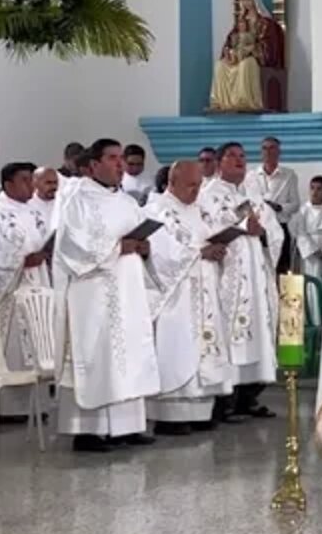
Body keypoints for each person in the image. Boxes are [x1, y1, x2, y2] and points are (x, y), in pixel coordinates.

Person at [53, 138, 160, 451]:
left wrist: (143, 246)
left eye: (121, 158)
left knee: (128, 354)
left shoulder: (127, 201)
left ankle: (128, 427)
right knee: (98, 354)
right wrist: (117, 248)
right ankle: (87, 431)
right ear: (93, 165)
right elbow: (72, 246)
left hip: (127, 289)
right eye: (112, 158)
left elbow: (140, 236)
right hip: (93, 292)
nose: (119, 164)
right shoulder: (77, 199)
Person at [143, 161, 232, 435]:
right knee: (179, 347)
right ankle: (171, 416)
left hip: (203, 289)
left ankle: (200, 411)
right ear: (172, 182)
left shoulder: (197, 210)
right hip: (177, 296)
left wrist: (217, 249)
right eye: (191, 185)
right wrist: (199, 253)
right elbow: (159, 251)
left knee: (203, 347)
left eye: (199, 185)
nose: (197, 191)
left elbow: (206, 240)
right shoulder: (157, 210)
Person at [199, 141, 283, 419]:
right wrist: (237, 228)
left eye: (242, 156)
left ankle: (249, 397)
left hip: (257, 276)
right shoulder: (208, 195)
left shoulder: (253, 193)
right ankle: (225, 401)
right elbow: (205, 230)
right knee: (230, 334)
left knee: (259, 332)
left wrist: (263, 233)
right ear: (219, 162)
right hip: (229, 276)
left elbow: (275, 231)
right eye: (231, 156)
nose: (239, 160)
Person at [0, 162, 53, 419]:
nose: (31, 185)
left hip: (36, 282)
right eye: (24, 180)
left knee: (37, 340)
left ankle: (37, 405)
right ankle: (9, 408)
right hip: (12, 288)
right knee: (13, 346)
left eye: (32, 179)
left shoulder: (35, 212)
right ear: (8, 185)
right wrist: (20, 261)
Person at [209, 0, 285, 112]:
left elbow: (270, 46)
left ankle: (244, 102)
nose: (246, 2)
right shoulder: (241, 22)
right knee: (219, 66)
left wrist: (252, 49)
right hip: (237, 56)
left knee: (245, 65)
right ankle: (221, 102)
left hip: (252, 58)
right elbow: (230, 41)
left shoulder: (266, 23)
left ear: (255, 1)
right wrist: (228, 53)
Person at [248, 136, 301, 274]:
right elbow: (247, 202)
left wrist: (279, 207)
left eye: (272, 148)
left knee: (281, 269)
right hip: (259, 228)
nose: (268, 152)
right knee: (258, 267)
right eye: (264, 148)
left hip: (280, 225)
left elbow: (295, 204)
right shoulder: (251, 176)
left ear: (279, 152)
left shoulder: (289, 175)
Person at [293, 175, 322, 278]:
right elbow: (301, 233)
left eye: (319, 189)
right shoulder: (303, 210)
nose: (315, 192)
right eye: (312, 188)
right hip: (310, 253)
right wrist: (313, 250)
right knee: (311, 280)